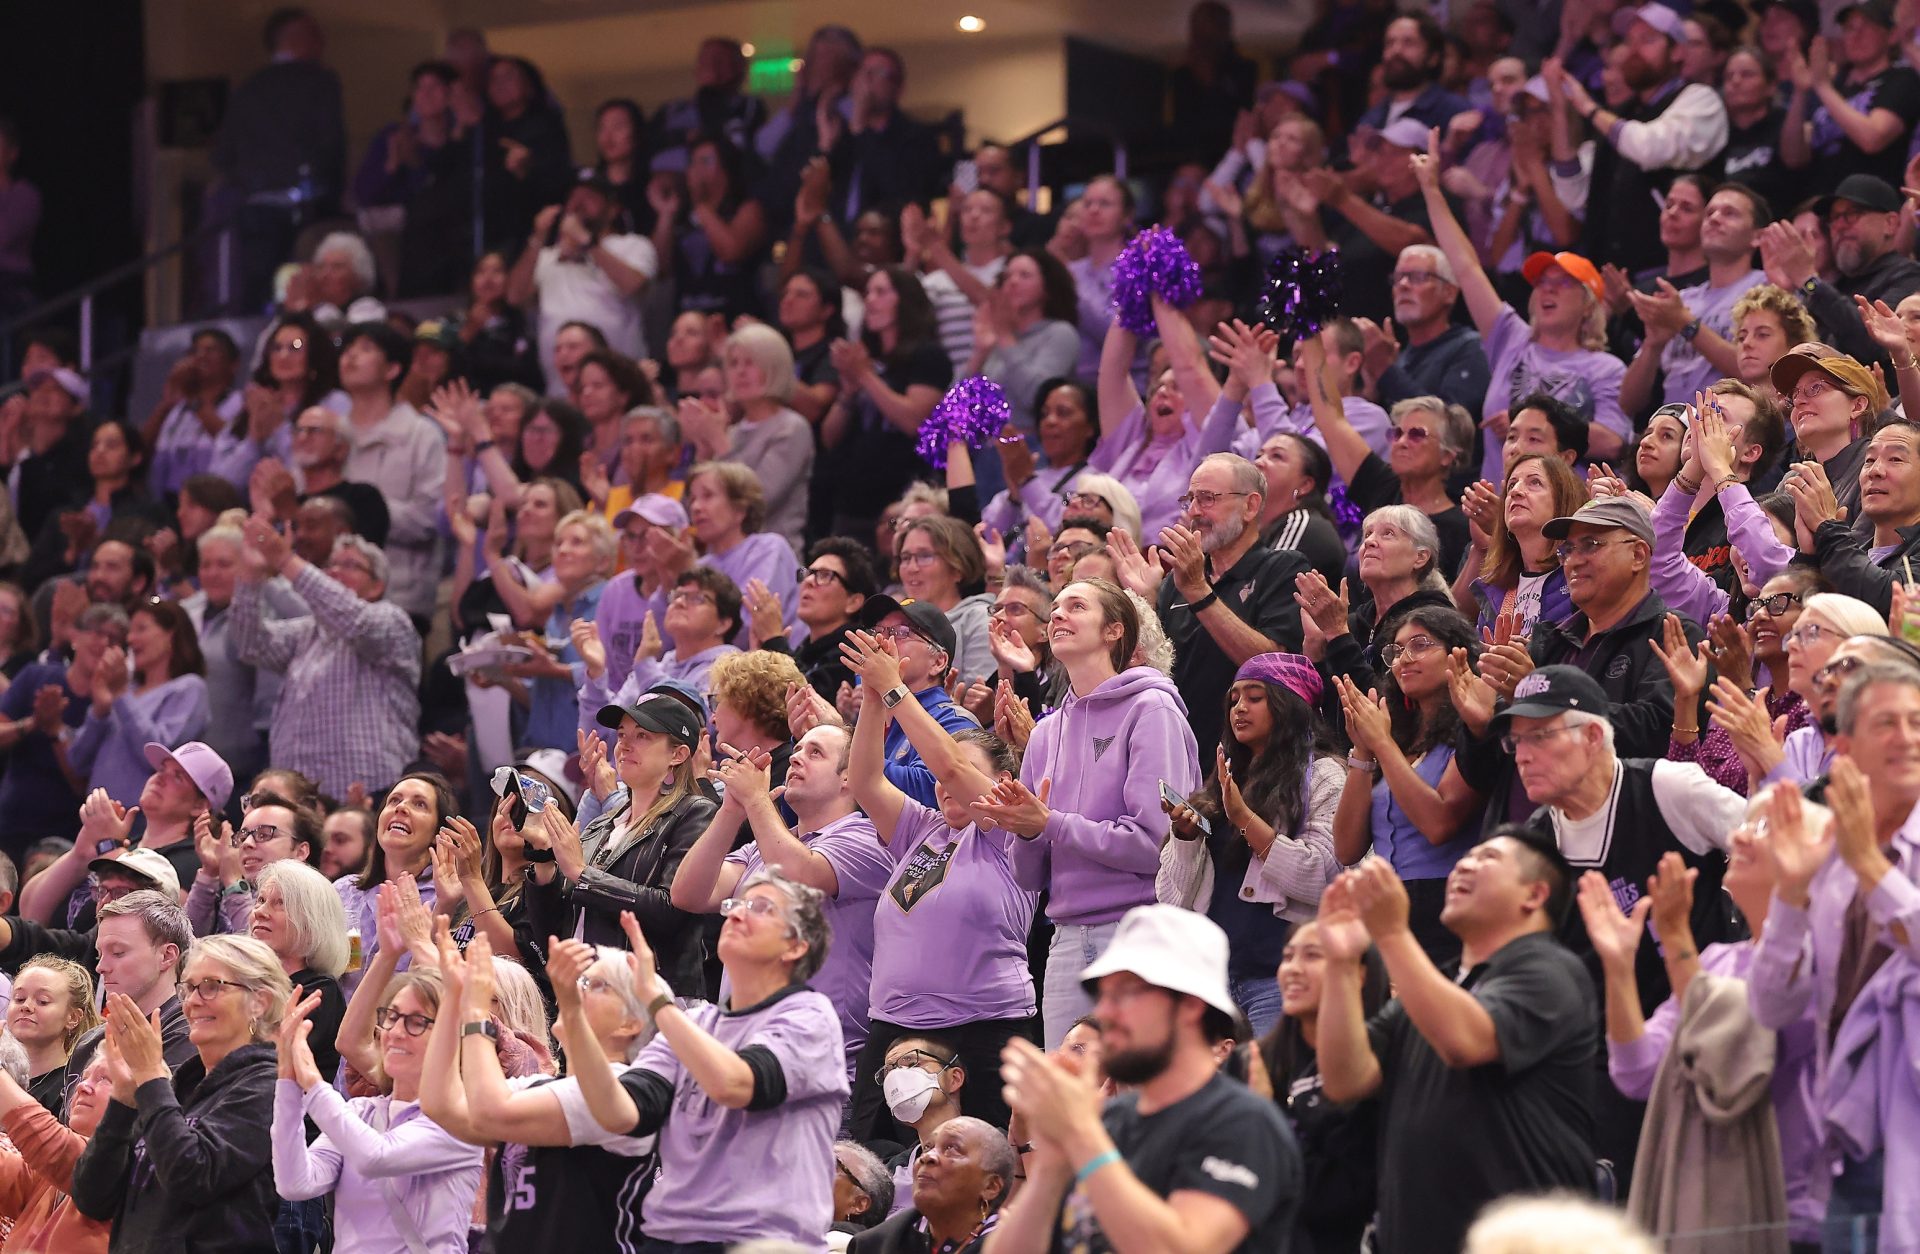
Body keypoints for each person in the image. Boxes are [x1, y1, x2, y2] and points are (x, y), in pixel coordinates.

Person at [1313, 831, 1596, 1254]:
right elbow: (1345, 1079)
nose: (1462, 865)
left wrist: (1391, 935)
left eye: (1487, 858)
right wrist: (1339, 962)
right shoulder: (1437, 986)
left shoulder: (1551, 970)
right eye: (1465, 856)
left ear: (1534, 896)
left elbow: (1466, 1041)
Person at [989, 904, 1302, 1254]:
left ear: (1190, 1005)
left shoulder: (1242, 1122)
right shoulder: (1111, 1122)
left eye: (1125, 993)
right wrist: (1051, 1165)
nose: (1105, 1012)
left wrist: (1082, 1137)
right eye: (1103, 995)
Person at [569, 873, 850, 1253]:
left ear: (796, 947)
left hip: (762, 1239)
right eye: (735, 905)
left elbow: (735, 1086)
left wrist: (657, 1002)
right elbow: (619, 1113)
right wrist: (572, 1013)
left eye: (761, 908)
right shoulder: (694, 1026)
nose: (735, 915)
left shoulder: (810, 1016)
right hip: (669, 1236)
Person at [1579, 828, 1821, 1248]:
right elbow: (1636, 1072)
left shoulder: (1823, 957)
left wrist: (1675, 940)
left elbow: (1729, 1056)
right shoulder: (1717, 960)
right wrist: (1618, 967)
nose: (1742, 836)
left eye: (1768, 829)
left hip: (1799, 1213)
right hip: (1713, 1202)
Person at [1750, 669, 1920, 1251]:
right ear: (1843, 746)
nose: (1908, 737)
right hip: (1848, 1149)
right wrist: (1793, 894)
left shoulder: (1857, 854)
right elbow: (1773, 1007)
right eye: (1887, 724)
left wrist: (1872, 867)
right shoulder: (1827, 853)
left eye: (1918, 723)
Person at [841, 649, 1038, 1140]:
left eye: (958, 773)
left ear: (1002, 785)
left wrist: (895, 688)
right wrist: (871, 697)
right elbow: (865, 782)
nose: (942, 783)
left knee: (984, 1163)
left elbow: (948, 768)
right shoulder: (921, 830)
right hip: (893, 1028)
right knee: (873, 1168)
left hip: (983, 1027)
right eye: (936, 776)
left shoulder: (1006, 829)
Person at [415, 932, 658, 1251]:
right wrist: (453, 1002)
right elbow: (441, 1104)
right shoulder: (541, 1086)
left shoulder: (623, 1086)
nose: (571, 990)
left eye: (593, 985)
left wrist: (475, 1013)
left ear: (630, 1024)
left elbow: (490, 1112)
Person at [673, 724, 892, 1071]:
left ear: (849, 777)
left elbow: (799, 878)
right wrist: (732, 809)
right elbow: (688, 894)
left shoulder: (868, 839)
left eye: (815, 752)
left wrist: (757, 800)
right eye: (797, 749)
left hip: (821, 1064)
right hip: (743, 1057)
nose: (795, 757)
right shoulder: (764, 846)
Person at [1414, 125, 1627, 481]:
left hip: (1563, 517)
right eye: (1542, 283)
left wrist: (1527, 424)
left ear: (1589, 305)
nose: (1547, 290)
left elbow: (1615, 443)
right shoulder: (1512, 338)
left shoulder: (1605, 368)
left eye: (1562, 285)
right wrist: (1431, 189)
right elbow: (1466, 268)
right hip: (1498, 511)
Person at [1158, 652, 1341, 1034]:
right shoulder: (1223, 781)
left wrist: (1244, 819)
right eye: (1235, 699)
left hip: (1278, 977)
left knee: (1270, 1090)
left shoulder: (1324, 776)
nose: (1239, 708)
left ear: (1289, 705)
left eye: (1255, 697)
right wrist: (1185, 838)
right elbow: (1172, 899)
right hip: (1215, 981)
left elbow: (1323, 877)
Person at [70, 933, 289, 1251]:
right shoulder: (174, 1090)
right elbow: (92, 1198)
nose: (193, 1001)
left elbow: (194, 1175)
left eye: (212, 986)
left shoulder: (268, 1087)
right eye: (187, 988)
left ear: (260, 1001)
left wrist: (148, 1076)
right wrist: (123, 1101)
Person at [272, 963, 485, 1254]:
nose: (396, 1032)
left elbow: (377, 1155)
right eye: (392, 1016)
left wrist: (311, 1079)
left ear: (452, 1038)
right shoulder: (361, 1112)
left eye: (417, 1021)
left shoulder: (459, 1122)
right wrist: (288, 1083)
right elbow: (295, 1182)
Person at [1114, 452, 1308, 761]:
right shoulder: (1176, 583)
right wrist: (1147, 601)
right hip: (1177, 753)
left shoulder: (1283, 568)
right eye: (1189, 499)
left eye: (1207, 499)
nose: (1193, 511)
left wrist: (1199, 592)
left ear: (1251, 505)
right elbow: (1158, 671)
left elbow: (1273, 668)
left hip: (1252, 761)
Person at [525, 695, 717, 989]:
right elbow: (552, 933)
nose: (624, 744)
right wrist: (543, 860)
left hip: (652, 997)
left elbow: (672, 910)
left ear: (677, 755)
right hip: (587, 992)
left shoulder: (695, 813)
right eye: (622, 734)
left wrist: (581, 874)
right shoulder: (602, 824)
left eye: (642, 735)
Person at [230, 517, 421, 800]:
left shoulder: (391, 620)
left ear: (377, 586)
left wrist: (285, 560)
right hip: (301, 801)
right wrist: (249, 577)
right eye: (332, 565)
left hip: (368, 795)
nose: (335, 572)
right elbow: (250, 645)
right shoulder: (307, 632)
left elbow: (354, 619)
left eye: (350, 565)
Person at [1335, 607, 1485, 963]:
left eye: (1420, 645)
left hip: (1447, 906)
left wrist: (1382, 745)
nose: (1404, 659)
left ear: (1457, 653)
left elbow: (1439, 824)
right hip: (1385, 906)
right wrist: (1362, 747)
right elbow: (1345, 848)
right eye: (1397, 650)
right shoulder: (1395, 737)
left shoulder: (1472, 731)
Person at [1550, 5, 1730, 278]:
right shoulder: (1620, 117)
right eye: (1630, 41)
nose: (1634, 50)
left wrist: (1588, 107)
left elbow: (1648, 148)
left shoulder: (1701, 100)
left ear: (1678, 51)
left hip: (1673, 277)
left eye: (1647, 40)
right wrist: (1560, 109)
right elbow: (1573, 194)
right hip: (1607, 279)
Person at [1261, 920, 1387, 1254]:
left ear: (1358, 973)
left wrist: (1261, 1121)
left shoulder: (1375, 1065)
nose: (1293, 970)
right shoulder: (1256, 1062)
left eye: (1313, 956)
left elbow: (1344, 1193)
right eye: (1287, 957)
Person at [210, 9, 347, 309]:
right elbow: (331, 145)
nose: (322, 41)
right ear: (295, 37)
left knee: (260, 291)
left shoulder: (246, 90)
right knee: (309, 289)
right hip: (307, 210)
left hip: (255, 211)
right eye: (314, 33)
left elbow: (223, 155)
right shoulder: (319, 82)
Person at [67, 599, 210, 809]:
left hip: (143, 820)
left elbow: (160, 757)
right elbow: (77, 762)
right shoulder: (126, 690)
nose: (131, 639)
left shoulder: (189, 688)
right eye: (130, 632)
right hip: (96, 818)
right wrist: (100, 711)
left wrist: (121, 695)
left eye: (141, 629)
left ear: (172, 634)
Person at [1457, 450, 1589, 635]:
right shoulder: (1495, 590)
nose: (1516, 491)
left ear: (1564, 499)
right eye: (1511, 485)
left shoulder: (1583, 576)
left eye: (1535, 482)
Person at [1799, 418, 1920, 618]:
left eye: (1895, 459)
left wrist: (1827, 528)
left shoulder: (1839, 546)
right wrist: (1808, 556)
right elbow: (1794, 619)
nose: (1875, 471)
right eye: (1869, 460)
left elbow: (1887, 598)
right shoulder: (1848, 550)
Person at [0, 1045, 113, 1253]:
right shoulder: (44, 1179)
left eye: (104, 1079)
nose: (83, 1087)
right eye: (84, 1078)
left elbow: (50, 1143)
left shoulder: (129, 1166)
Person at [244, 858, 348, 1082]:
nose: (260, 912)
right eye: (260, 900)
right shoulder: (242, 983)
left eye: (280, 903)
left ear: (312, 924)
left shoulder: (319, 993)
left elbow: (267, 1065)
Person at [849, 1117, 1015, 1254]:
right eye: (927, 1148)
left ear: (990, 1186)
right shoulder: (872, 1246)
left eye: (952, 1148)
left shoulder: (1023, 1245)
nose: (927, 1157)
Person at [1367, 243, 1493, 413]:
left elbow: (1449, 425)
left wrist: (1385, 369)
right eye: (1398, 278)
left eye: (1418, 277)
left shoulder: (1471, 348)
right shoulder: (1400, 357)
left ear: (1449, 292)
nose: (1403, 285)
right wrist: (1370, 394)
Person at [184, 792, 319, 937]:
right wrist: (210, 873)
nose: (247, 844)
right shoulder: (238, 892)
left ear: (300, 851)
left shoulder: (310, 901)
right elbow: (185, 939)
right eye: (243, 836)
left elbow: (260, 946)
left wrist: (234, 884)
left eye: (264, 834)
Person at [761, 538, 874, 700]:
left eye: (824, 575)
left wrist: (773, 640)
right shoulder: (806, 649)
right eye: (808, 573)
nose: (808, 582)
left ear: (853, 601)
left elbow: (809, 701)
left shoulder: (855, 651)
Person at [894, 516, 995, 684]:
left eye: (924, 556)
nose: (912, 568)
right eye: (905, 558)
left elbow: (977, 699)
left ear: (957, 568)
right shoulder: (893, 622)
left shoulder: (978, 619)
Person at [6, 955, 98, 1115]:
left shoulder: (72, 1089)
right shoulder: (4, 1074)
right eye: (19, 999)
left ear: (73, 1017)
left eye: (42, 1001)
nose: (26, 1006)